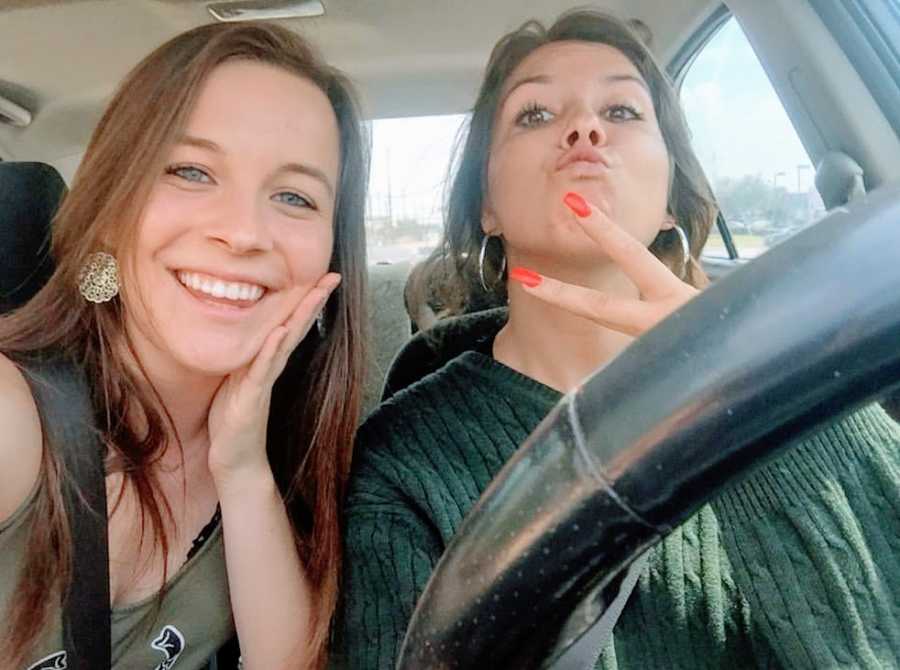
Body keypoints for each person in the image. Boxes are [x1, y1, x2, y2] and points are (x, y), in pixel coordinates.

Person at [332, 10, 900, 669]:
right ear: (485, 203)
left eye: (623, 111)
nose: (585, 128)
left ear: (669, 197)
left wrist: (735, 380)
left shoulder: (810, 391)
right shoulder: (406, 456)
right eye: (536, 114)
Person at [0, 21, 368, 670]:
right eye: (192, 171)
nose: (243, 232)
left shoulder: (291, 455)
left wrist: (242, 465)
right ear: (111, 212)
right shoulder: (12, 417)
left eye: (293, 196)